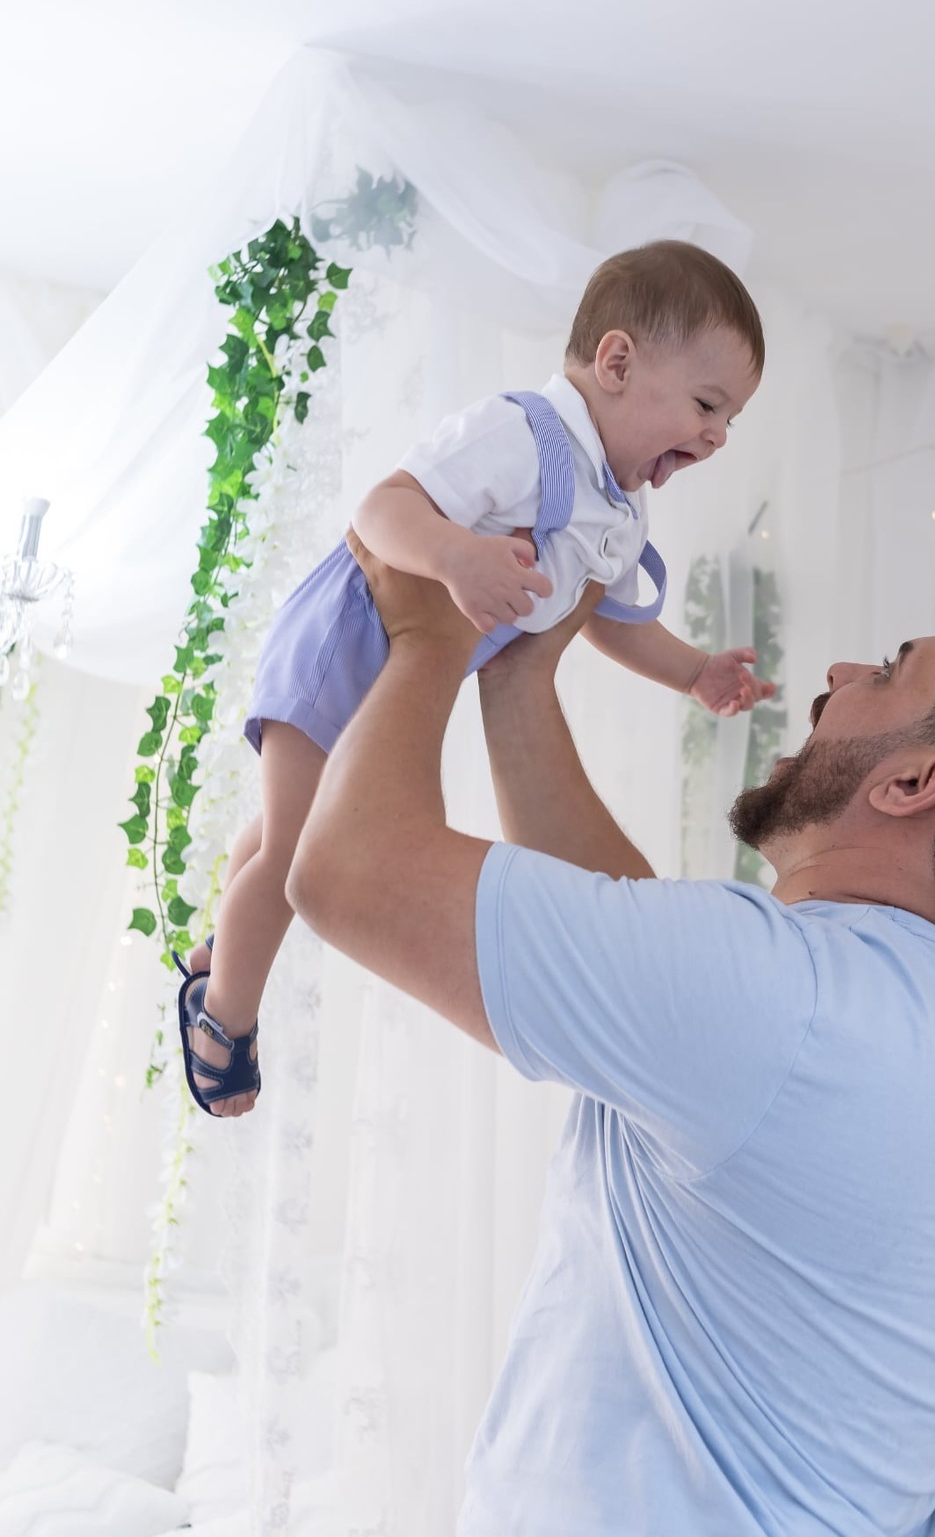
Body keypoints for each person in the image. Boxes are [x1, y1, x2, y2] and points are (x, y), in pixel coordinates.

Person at [286, 552, 935, 1537]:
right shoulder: (932, 1001)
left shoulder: (787, 1001)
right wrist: (519, 678)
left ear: (913, 781)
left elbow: (346, 872)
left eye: (888, 671)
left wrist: (429, 634)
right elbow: (635, 942)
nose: (838, 676)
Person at [177, 240, 773, 1116]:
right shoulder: (522, 433)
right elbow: (381, 509)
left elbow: (606, 616)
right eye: (706, 404)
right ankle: (222, 1013)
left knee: (280, 824)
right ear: (616, 362)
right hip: (345, 639)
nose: (717, 436)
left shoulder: (619, 502)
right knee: (296, 853)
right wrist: (456, 556)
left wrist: (691, 673)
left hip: (398, 681)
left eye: (730, 421)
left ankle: (213, 950)